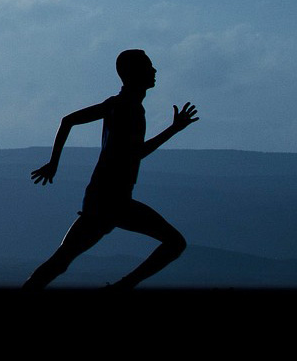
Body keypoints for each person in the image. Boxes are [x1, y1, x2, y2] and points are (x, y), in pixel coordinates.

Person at [23, 49, 198, 290]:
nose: (154, 71)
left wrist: (54, 163)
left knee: (62, 260)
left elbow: (68, 121)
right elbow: (136, 154)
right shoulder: (129, 109)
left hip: (101, 198)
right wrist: (173, 130)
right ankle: (122, 287)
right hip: (113, 200)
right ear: (134, 73)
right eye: (149, 66)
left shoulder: (117, 104)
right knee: (175, 243)